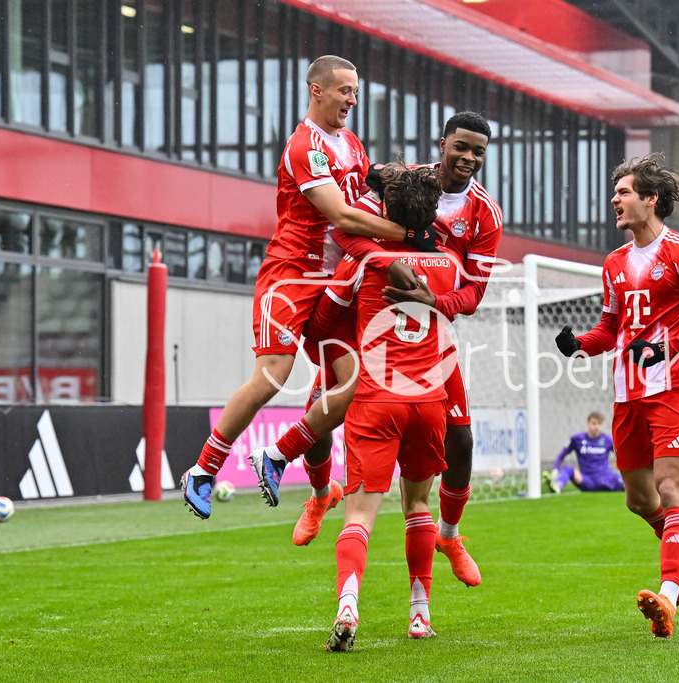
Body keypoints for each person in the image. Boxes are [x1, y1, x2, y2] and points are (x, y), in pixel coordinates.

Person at [252, 112, 502, 588]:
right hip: (362, 311)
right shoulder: (402, 181)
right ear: (443, 143)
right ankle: (319, 493)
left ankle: (449, 535)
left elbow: (472, 294)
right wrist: (387, 262)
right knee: (326, 408)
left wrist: (434, 299)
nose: (468, 158)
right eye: (461, 147)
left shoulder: (485, 213)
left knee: (462, 440)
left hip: (429, 334)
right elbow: (344, 230)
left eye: (478, 152)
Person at [180, 55, 428, 520]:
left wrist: (422, 185)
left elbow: (377, 193)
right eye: (344, 91)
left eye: (355, 91)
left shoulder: (351, 144)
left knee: (355, 383)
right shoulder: (304, 146)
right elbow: (342, 216)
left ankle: (279, 457)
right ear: (317, 90)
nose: (352, 99)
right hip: (292, 275)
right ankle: (203, 470)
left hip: (337, 281)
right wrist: (411, 237)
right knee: (272, 375)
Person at [555, 153, 679, 639]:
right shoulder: (613, 263)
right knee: (638, 498)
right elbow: (611, 328)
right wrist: (580, 345)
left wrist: (667, 344)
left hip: (677, 384)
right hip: (628, 392)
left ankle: (669, 596)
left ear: (651, 199)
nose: (615, 199)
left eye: (624, 192)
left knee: (672, 489)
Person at [318, 164, 459, 651]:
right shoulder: (448, 265)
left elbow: (324, 317)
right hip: (429, 402)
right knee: (418, 504)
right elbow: (463, 297)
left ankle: (348, 603)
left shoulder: (365, 261)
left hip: (376, 399)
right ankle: (419, 614)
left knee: (359, 515)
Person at [543, 412, 624, 494]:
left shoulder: (608, 440)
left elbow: (620, 455)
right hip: (586, 479)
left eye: (599, 424)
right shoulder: (577, 439)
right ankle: (557, 486)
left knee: (625, 482)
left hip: (606, 478)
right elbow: (561, 455)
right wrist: (555, 470)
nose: (596, 427)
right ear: (587, 423)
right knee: (568, 469)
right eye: (594, 423)